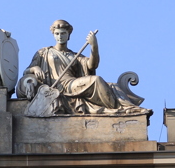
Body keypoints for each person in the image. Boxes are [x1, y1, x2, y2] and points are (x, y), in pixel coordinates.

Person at [17, 19, 147, 116]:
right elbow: (27, 71)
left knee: (112, 86)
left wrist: (94, 46)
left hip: (72, 83)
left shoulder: (75, 56)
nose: (60, 36)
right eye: (57, 34)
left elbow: (92, 64)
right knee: (95, 80)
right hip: (60, 86)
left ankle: (126, 107)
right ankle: (118, 108)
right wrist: (34, 69)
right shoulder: (43, 52)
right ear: (53, 35)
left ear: (68, 35)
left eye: (63, 33)